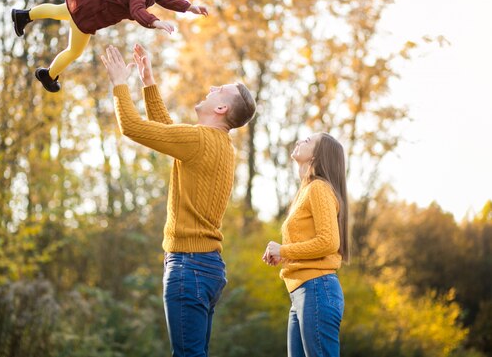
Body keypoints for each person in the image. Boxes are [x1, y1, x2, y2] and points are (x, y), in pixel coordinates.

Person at [101, 43, 256, 357]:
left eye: (220, 90)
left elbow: (131, 127)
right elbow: (169, 133)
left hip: (189, 267)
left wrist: (120, 82)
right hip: (206, 267)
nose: (212, 87)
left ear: (222, 109)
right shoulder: (219, 145)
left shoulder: (200, 141)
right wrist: (148, 82)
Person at [11, 0, 208, 93]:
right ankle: (48, 75)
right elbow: (137, 10)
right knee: (74, 51)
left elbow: (168, 0)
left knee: (59, 10)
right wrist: (154, 22)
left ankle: (24, 15)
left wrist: (189, 7)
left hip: (87, 6)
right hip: (88, 15)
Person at [262, 132, 350, 357]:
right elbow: (315, 241)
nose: (301, 140)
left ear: (318, 156)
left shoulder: (318, 187)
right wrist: (285, 256)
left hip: (316, 289)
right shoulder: (306, 190)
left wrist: (283, 250)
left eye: (309, 141)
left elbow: (329, 241)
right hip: (302, 292)